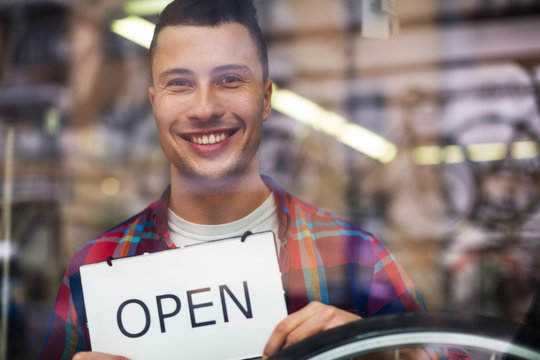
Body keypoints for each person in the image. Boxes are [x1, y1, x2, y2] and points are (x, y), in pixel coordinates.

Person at [40, 1, 461, 359]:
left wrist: (381, 351)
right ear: (155, 103)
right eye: (180, 84)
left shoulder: (358, 258)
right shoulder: (94, 268)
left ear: (265, 99)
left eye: (229, 80)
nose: (204, 107)